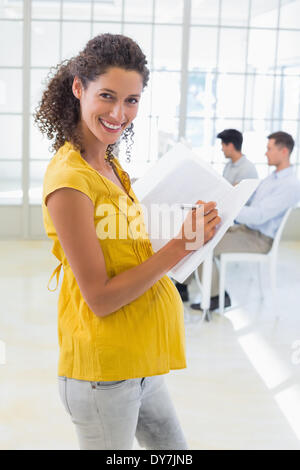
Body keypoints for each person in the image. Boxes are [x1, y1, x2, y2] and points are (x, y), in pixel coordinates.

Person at [35, 33, 220, 450]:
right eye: (107, 96)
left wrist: (184, 223)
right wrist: (181, 245)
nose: (120, 112)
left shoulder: (108, 164)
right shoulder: (69, 182)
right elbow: (99, 298)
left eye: (132, 100)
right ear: (78, 88)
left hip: (139, 360)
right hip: (104, 374)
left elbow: (125, 245)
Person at [178, 131, 300, 311]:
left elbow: (259, 215)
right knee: (199, 235)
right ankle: (185, 287)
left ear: (283, 152)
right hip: (246, 230)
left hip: (259, 239)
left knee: (204, 244)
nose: (266, 153)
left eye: (269, 149)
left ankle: (216, 296)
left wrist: (227, 208)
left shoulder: (290, 184)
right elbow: (250, 201)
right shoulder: (271, 179)